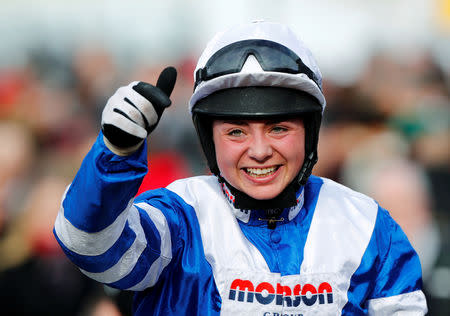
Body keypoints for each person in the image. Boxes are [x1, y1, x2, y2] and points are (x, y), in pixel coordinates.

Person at [53, 21, 427, 315]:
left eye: (279, 128)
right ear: (208, 140)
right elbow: (87, 245)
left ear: (310, 134)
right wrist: (115, 152)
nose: (260, 150)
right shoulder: (180, 217)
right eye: (236, 131)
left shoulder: (368, 226)